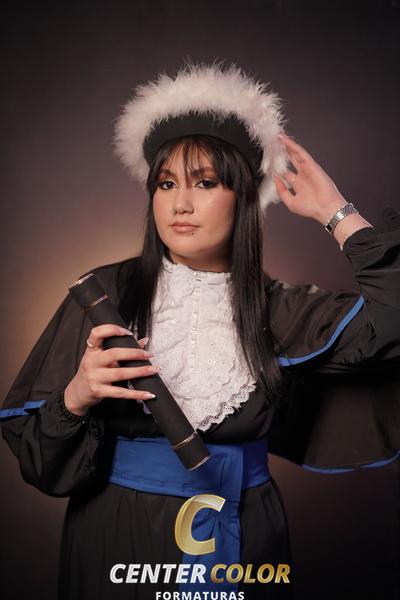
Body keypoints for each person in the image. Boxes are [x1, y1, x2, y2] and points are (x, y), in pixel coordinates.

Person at [1, 61, 400, 600]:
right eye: (166, 184)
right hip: (114, 537)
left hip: (242, 535)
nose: (180, 204)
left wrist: (334, 210)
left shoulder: (283, 309)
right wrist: (76, 396)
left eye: (206, 183)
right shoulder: (104, 296)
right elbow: (40, 469)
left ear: (244, 196)